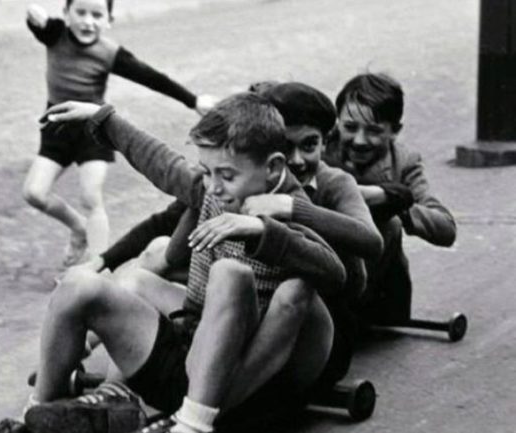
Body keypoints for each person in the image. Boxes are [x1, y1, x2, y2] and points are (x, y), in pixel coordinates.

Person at [23, 93, 346, 433]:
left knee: (230, 273)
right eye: (207, 173)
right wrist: (103, 118)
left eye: (227, 175)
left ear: (273, 168)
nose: (214, 187)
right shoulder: (212, 188)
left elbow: (336, 273)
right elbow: (160, 162)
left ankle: (192, 424)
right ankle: (37, 411)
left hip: (249, 380)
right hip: (192, 352)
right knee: (81, 284)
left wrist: (264, 230)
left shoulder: (289, 207)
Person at [84, 81, 384, 391]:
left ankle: (214, 397)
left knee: (290, 288)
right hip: (248, 310)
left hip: (311, 324)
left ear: (325, 143)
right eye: (286, 147)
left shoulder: (331, 183)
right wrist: (106, 258)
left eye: (308, 145)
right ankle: (100, 359)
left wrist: (292, 208)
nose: (296, 159)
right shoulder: (233, 180)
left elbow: (368, 247)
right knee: (158, 250)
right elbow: (167, 205)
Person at [22, 0, 215, 266]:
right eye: (80, 12)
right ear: (66, 13)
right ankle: (79, 228)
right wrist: (34, 19)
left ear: (109, 20)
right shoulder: (55, 34)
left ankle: (95, 269)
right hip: (56, 127)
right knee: (34, 193)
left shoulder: (109, 53)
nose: (88, 21)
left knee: (91, 197)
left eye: (97, 15)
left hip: (92, 129)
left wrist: (192, 100)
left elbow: (150, 77)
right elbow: (40, 25)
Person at [324, 72, 456, 325]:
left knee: (390, 223)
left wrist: (392, 203)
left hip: (375, 289)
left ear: (395, 131)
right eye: (350, 127)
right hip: (327, 267)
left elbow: (446, 229)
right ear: (337, 121)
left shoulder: (404, 162)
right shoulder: (318, 146)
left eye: (374, 131)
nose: (360, 141)